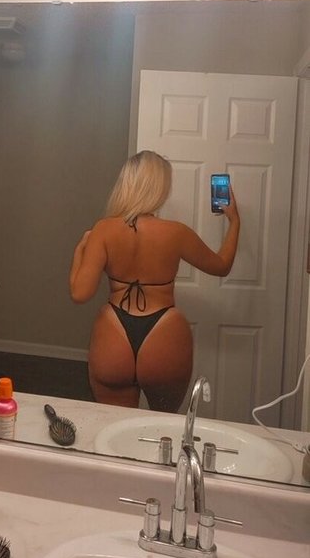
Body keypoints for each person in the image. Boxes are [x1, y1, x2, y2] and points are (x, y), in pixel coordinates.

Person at [69, 150, 240, 412]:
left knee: (114, 424)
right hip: (165, 330)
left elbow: (79, 294)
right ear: (160, 188)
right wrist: (235, 221)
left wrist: (80, 249)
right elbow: (222, 266)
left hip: (113, 330)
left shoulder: (103, 229)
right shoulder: (176, 232)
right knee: (163, 427)